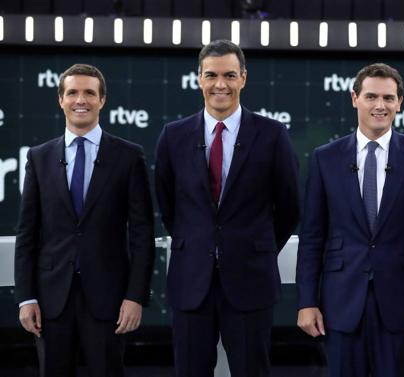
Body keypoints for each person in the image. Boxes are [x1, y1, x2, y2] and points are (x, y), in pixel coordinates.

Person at [154, 39, 300, 377]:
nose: (221, 84)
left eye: (230, 75)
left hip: (251, 281)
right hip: (191, 284)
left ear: (244, 79)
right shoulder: (172, 136)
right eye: (212, 75)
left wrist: (253, 248)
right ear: (199, 78)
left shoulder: (272, 134)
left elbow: (289, 207)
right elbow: (169, 207)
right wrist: (201, 245)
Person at [296, 63, 404, 377]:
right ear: (354, 98)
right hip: (340, 302)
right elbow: (312, 236)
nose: (380, 105)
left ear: (400, 102)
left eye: (389, 98)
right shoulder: (325, 158)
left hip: (402, 305)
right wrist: (306, 301)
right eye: (371, 96)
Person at [14, 63, 155, 377]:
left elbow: (142, 233)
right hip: (50, 302)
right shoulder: (39, 157)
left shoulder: (129, 156)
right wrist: (26, 297)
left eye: (90, 93)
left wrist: (135, 297)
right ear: (61, 99)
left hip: (109, 301)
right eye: (73, 92)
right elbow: (27, 233)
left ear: (102, 100)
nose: (81, 99)